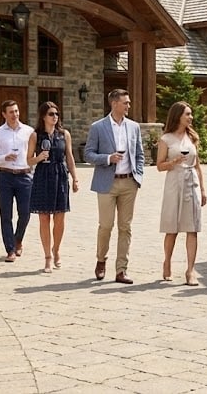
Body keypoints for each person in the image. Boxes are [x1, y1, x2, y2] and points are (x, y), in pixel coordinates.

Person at [84, 89, 144, 284]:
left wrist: (138, 176)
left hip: (129, 183)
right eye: (125, 103)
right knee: (106, 226)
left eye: (128, 102)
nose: (128, 106)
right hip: (106, 183)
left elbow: (140, 154)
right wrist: (108, 158)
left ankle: (121, 270)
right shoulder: (98, 127)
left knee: (125, 227)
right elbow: (88, 154)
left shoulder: (134, 127)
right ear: (114, 104)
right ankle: (101, 260)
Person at [156, 101, 207, 286]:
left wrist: (202, 189)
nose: (191, 117)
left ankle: (190, 270)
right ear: (178, 116)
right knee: (172, 228)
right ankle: (167, 261)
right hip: (173, 183)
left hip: (191, 183)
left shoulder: (192, 137)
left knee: (192, 228)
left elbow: (198, 165)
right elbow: (159, 166)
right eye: (187, 114)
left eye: (191, 114)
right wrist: (173, 162)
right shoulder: (166, 139)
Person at [27, 102, 79, 274]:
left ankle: (56, 249)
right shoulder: (35, 136)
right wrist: (39, 157)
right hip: (42, 176)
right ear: (43, 116)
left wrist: (75, 178)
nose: (55, 117)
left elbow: (69, 157)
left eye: (57, 114)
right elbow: (28, 160)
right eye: (51, 114)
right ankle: (47, 257)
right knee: (44, 218)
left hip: (60, 175)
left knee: (59, 218)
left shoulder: (64, 134)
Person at [0, 100, 34, 262]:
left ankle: (18, 239)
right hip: (5, 177)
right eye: (11, 112)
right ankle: (10, 249)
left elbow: (34, 154)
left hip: (25, 176)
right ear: (4, 114)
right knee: (6, 215)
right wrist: (4, 157)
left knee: (25, 213)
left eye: (16, 111)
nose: (15, 115)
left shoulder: (29, 131)